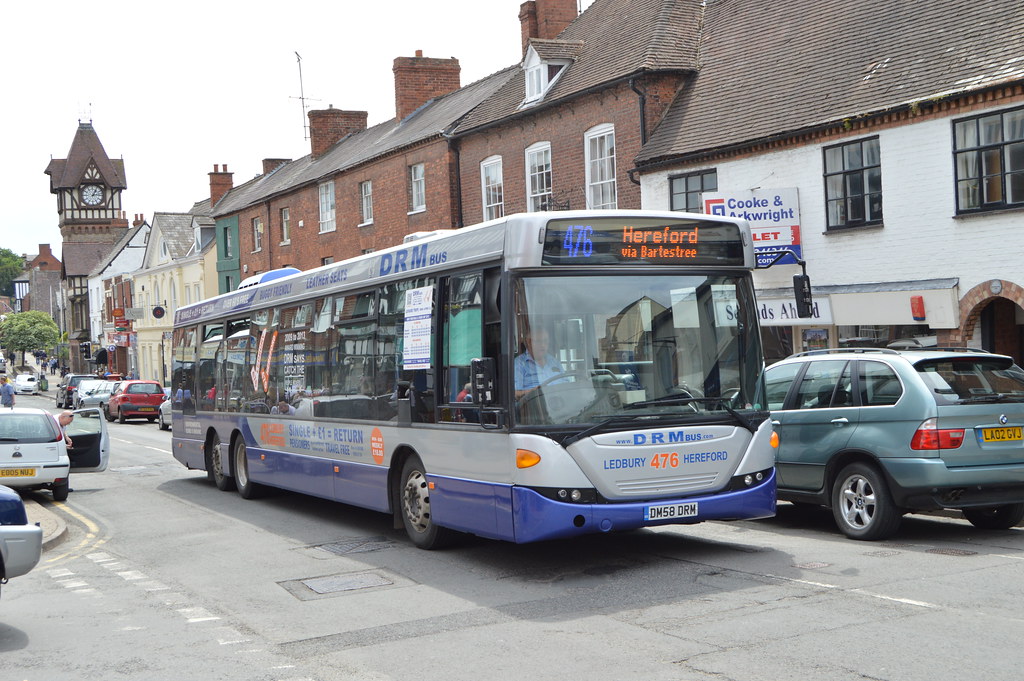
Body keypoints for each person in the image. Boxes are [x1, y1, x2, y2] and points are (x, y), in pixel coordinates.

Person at [514, 327, 565, 399]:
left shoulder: (554, 361)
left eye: (545, 341)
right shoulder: (519, 364)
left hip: (562, 404)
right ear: (529, 342)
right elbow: (514, 394)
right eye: (539, 341)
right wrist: (533, 392)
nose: (543, 345)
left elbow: (566, 384)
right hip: (534, 406)